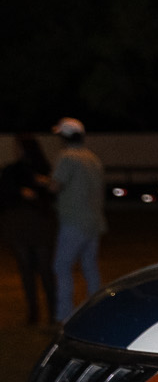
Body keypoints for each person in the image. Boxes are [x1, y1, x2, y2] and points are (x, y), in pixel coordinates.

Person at [49, 119, 104, 324]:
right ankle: (96, 311)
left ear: (65, 136)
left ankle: (64, 315)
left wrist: (43, 182)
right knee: (90, 266)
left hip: (74, 220)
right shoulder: (92, 158)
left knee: (61, 266)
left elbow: (55, 186)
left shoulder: (67, 157)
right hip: (94, 220)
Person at [1, 136, 56, 326]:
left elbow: (52, 193)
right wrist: (19, 192)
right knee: (26, 269)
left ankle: (53, 311)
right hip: (19, 224)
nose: (16, 150)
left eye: (19, 147)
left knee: (44, 268)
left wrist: (42, 186)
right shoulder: (11, 170)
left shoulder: (44, 169)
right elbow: (4, 194)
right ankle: (33, 312)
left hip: (39, 224)